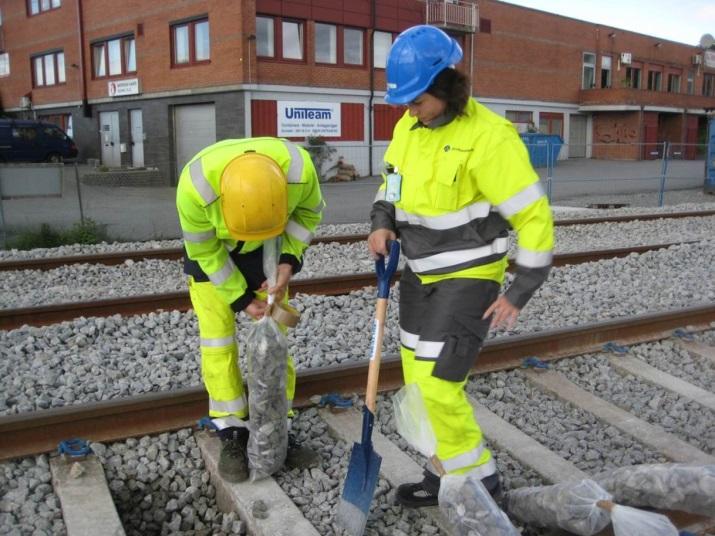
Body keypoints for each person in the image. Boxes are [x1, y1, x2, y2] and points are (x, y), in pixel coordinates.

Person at [368, 25, 554, 507]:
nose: (409, 111)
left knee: (438, 385)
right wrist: (382, 221)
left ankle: (480, 479)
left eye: (417, 101)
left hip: (470, 277)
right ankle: (442, 471)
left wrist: (521, 286)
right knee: (417, 383)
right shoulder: (408, 129)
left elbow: (533, 215)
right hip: (417, 275)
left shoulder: (490, 137)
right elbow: (391, 184)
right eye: (405, 103)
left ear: (447, 87)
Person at [176, 137, 325, 482]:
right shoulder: (195, 188)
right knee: (218, 342)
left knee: (274, 344)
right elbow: (205, 251)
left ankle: (277, 426)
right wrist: (241, 299)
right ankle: (232, 431)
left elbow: (309, 213)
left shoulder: (299, 170)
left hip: (270, 249)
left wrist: (289, 262)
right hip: (213, 255)